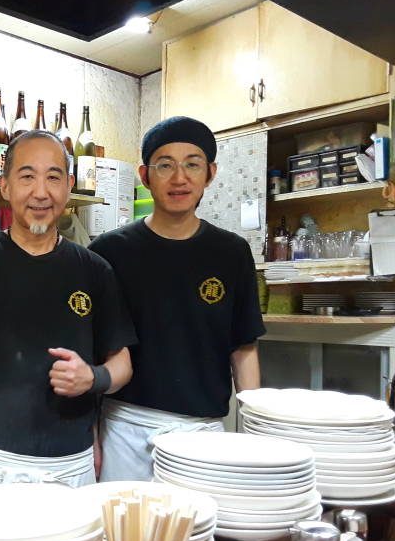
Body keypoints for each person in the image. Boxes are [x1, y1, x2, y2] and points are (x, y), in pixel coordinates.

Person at [0, 130, 136, 491]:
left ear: (68, 187)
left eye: (53, 177)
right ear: (4, 186)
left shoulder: (95, 270)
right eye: (27, 176)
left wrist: (93, 378)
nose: (41, 192)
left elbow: (123, 364)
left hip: (73, 466)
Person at [89, 116, 266, 481]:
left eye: (192, 164)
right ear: (145, 175)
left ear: (210, 173)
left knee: (197, 536)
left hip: (202, 432)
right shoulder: (108, 252)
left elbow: (243, 349)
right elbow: (91, 351)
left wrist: (257, 436)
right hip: (123, 425)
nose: (179, 177)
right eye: (165, 165)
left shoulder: (231, 253)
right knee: (124, 534)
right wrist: (88, 435)